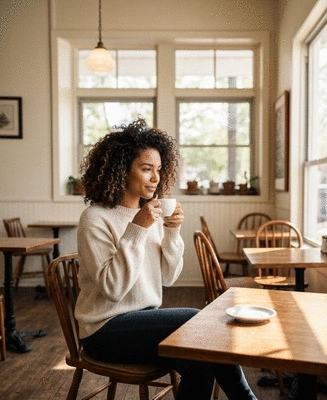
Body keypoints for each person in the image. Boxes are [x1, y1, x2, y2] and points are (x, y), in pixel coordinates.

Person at [75, 118, 257, 400]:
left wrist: (172, 232)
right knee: (196, 319)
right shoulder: (95, 218)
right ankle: (246, 397)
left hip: (143, 322)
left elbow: (169, 278)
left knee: (201, 360)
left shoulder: (151, 215)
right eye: (146, 169)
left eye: (159, 170)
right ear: (121, 170)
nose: (156, 178)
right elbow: (112, 290)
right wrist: (137, 228)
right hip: (104, 331)